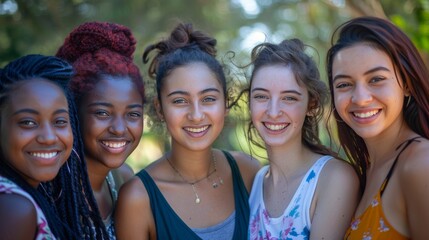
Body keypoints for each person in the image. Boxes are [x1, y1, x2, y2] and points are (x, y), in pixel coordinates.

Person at [115, 22, 260, 240]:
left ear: (225, 104)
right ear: (160, 109)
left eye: (208, 99)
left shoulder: (249, 172)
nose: (196, 114)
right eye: (180, 100)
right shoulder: (137, 198)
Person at [245, 39, 359, 239]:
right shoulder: (256, 184)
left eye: (289, 98)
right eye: (261, 96)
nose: (273, 112)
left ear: (311, 105)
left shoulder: (333, 178)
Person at [326, 16, 429, 239]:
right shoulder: (364, 172)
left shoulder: (421, 164)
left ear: (407, 84)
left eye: (376, 79)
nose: (360, 98)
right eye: (344, 84)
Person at [0, 54, 107, 239]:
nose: (49, 138)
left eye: (59, 121)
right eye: (28, 122)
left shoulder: (28, 193)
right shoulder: (14, 208)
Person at [56, 21, 145, 239]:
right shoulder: (52, 187)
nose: (119, 129)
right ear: (73, 113)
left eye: (132, 114)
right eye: (102, 113)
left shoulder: (124, 180)